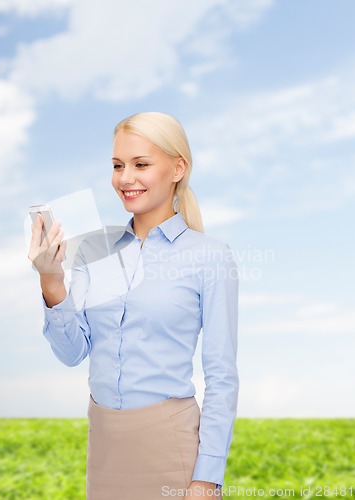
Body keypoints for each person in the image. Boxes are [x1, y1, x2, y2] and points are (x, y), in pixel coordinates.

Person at [28, 111, 239, 499]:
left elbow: (221, 376)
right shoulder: (95, 249)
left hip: (173, 450)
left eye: (141, 164)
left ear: (178, 168)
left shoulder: (210, 256)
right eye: (117, 166)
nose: (125, 178)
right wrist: (51, 279)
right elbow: (73, 353)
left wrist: (207, 477)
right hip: (105, 449)